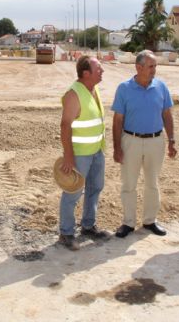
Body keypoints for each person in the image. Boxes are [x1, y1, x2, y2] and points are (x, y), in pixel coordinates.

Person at [112, 50, 177, 238]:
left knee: (152, 183)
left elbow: (167, 114)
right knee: (129, 184)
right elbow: (117, 120)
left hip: (156, 142)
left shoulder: (161, 87)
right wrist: (117, 148)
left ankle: (150, 221)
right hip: (130, 141)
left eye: (155, 66)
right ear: (138, 67)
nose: (154, 70)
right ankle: (128, 223)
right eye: (150, 66)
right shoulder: (124, 88)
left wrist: (172, 140)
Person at [58, 55, 110, 250]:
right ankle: (66, 233)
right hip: (80, 154)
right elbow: (65, 126)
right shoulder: (74, 94)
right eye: (99, 69)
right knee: (73, 192)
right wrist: (68, 156)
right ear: (86, 73)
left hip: (97, 150)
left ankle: (88, 226)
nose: (102, 72)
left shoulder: (93, 89)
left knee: (95, 188)